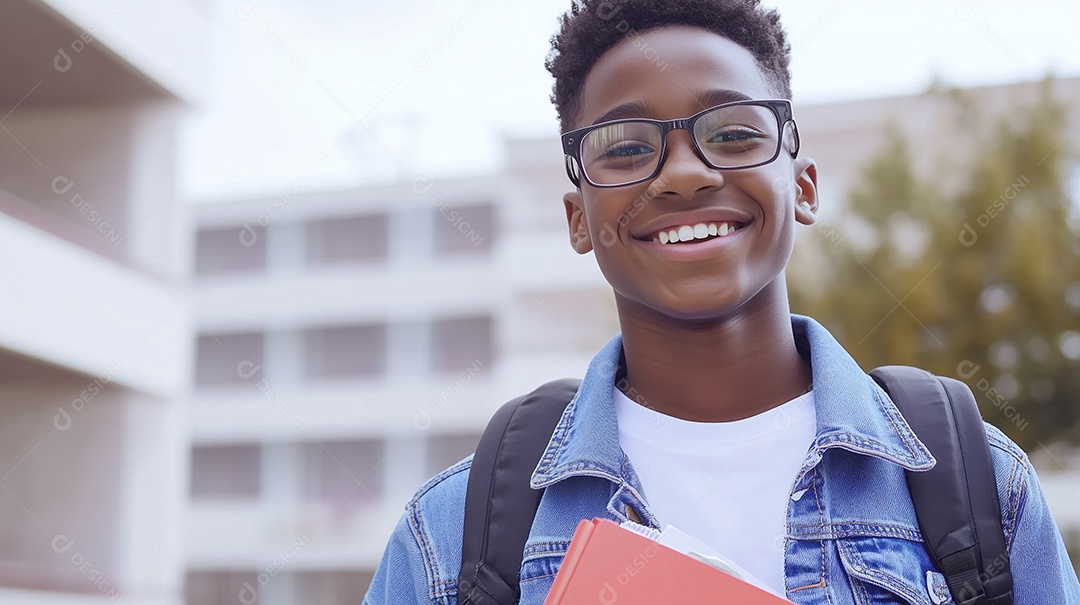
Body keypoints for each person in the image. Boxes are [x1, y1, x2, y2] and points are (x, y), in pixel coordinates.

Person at [363, 1, 1080, 603]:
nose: (682, 174)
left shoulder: (982, 484)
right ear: (578, 217)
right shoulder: (450, 535)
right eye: (623, 147)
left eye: (734, 132)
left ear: (802, 185)